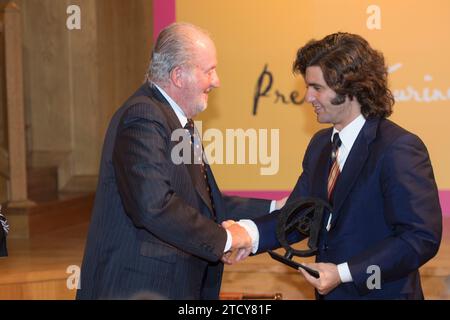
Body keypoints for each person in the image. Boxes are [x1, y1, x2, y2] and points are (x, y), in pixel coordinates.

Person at [76, 22, 284, 300]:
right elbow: (153, 205)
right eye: (209, 70)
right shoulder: (144, 116)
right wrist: (228, 239)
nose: (217, 80)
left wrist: (276, 208)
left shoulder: (173, 120)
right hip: (137, 288)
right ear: (178, 75)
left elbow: (202, 203)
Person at [227, 32, 442, 299]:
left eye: (317, 87)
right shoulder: (320, 145)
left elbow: (420, 239)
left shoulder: (398, 148)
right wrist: (247, 234)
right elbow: (300, 217)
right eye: (308, 86)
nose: (308, 97)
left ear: (351, 88)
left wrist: (344, 273)